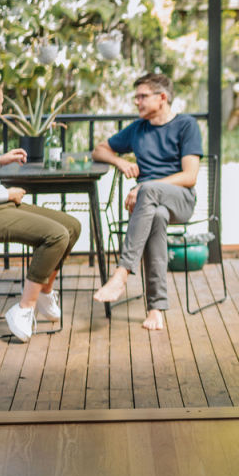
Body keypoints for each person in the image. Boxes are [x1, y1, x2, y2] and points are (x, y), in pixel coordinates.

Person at [0, 80, 82, 342]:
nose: (1, 109)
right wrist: (8, 194)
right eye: (0, 103)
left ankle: (44, 291)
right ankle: (24, 308)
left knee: (72, 226)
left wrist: (2, 159)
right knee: (56, 235)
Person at [91, 73, 203, 331]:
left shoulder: (186, 125)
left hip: (181, 200)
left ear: (162, 98)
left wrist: (144, 187)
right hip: (150, 207)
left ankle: (122, 273)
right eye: (136, 97)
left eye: (142, 96)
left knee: (151, 193)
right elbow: (99, 149)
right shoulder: (138, 129)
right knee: (157, 216)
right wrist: (121, 162)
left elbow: (190, 176)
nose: (137, 102)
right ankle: (156, 309)